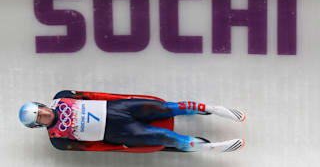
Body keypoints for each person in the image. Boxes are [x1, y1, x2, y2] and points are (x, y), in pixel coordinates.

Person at [19, 90, 246, 153]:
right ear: (38, 125)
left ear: (41, 104)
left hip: (118, 109)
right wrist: (121, 147)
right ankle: (208, 147)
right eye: (39, 118)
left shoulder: (61, 97)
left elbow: (93, 95)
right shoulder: (57, 139)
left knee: (167, 108)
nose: (44, 115)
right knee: (165, 138)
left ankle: (211, 109)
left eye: (40, 110)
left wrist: (123, 98)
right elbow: (92, 147)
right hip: (119, 132)